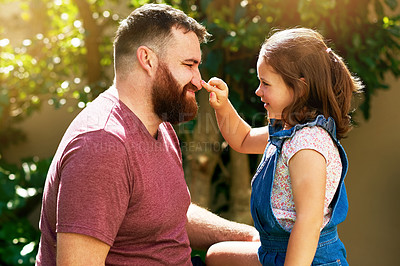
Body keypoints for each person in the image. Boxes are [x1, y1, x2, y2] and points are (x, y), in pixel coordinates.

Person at [35, 4, 259, 265]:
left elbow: (169, 216)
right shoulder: (102, 144)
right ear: (148, 60)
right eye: (189, 65)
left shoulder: (159, 125)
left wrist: (248, 236)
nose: (199, 81)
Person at [202, 28, 363, 266]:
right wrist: (223, 106)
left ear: (301, 87)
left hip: (307, 257)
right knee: (216, 256)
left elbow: (308, 221)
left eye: (265, 83)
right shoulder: (288, 132)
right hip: (276, 249)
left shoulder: (307, 146)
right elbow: (243, 139)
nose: (258, 91)